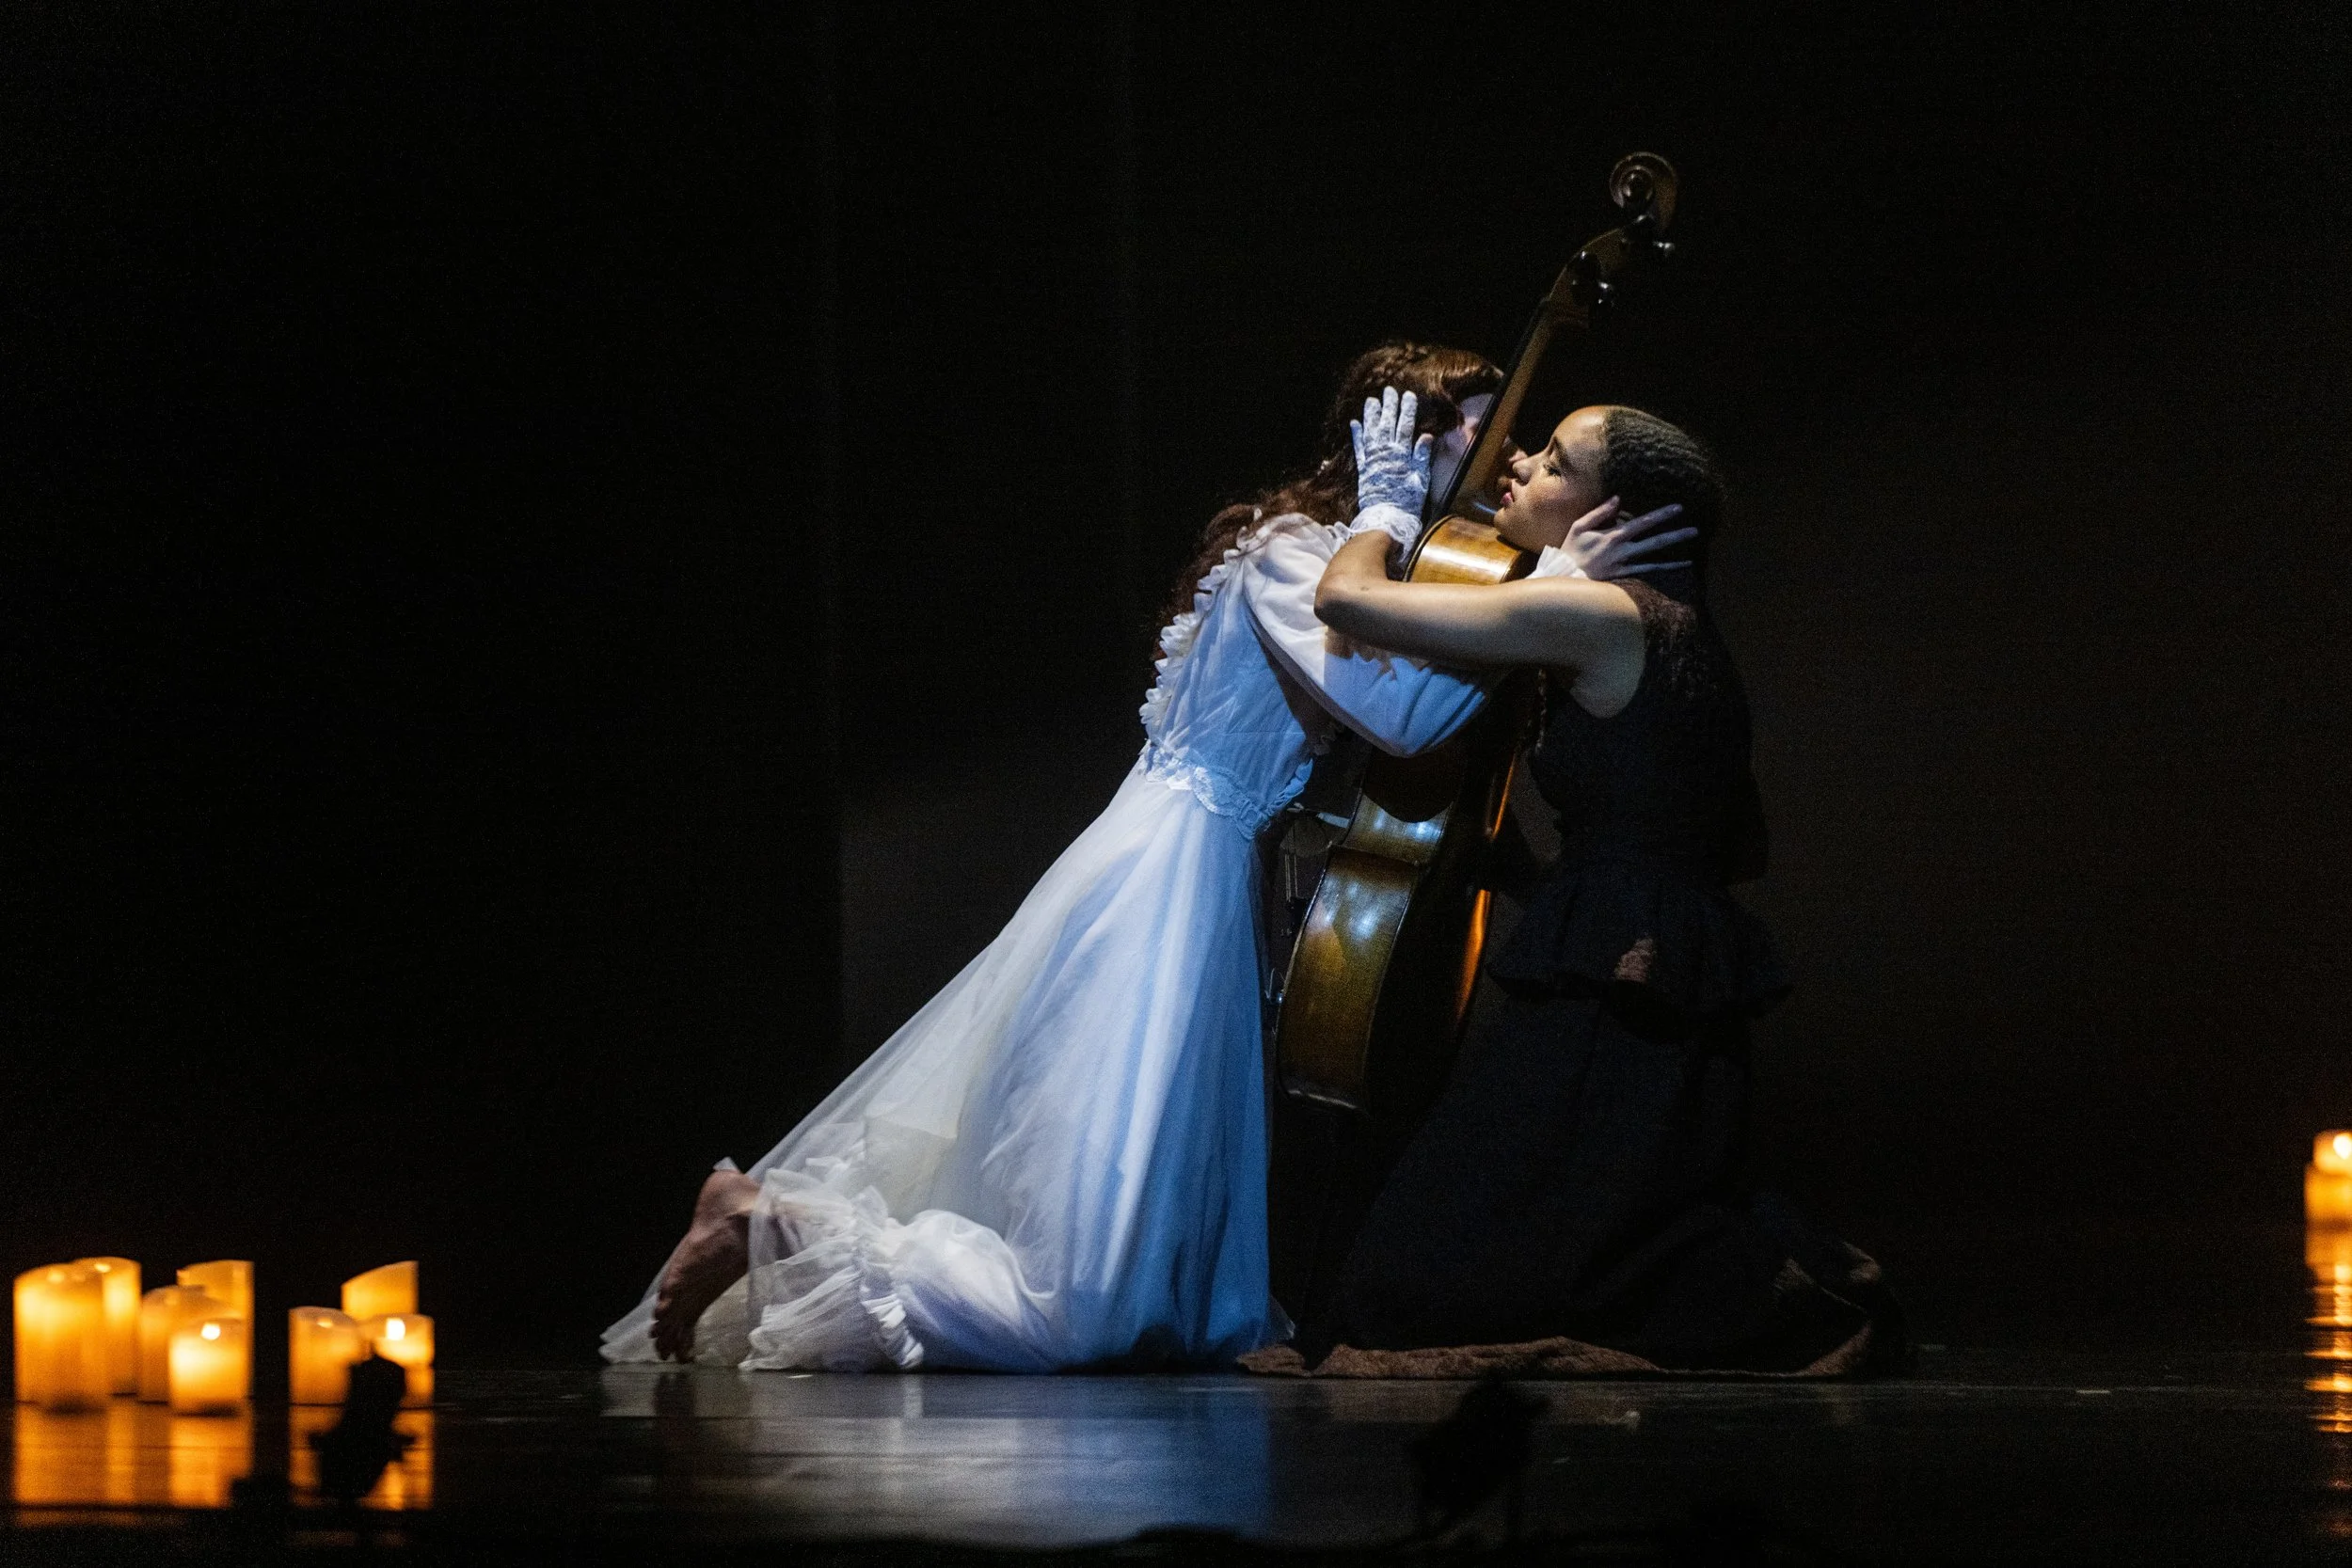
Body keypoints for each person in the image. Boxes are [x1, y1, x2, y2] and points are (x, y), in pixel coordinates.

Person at [599, 344, 1676, 1372]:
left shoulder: (1374, 571)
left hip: (1209, 881)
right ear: (1397, 440)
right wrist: (1550, 590)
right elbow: (1396, 715)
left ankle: (774, 1220)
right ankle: (765, 1214)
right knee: (1078, 1303)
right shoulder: (1295, 554)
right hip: (1162, 878)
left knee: (1176, 1305)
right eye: (1477, 438)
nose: (1499, 467)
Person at [1272, 390, 1903, 1377]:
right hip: (1645, 968)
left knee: (1413, 1280)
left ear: (1617, 518)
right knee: (1519, 1242)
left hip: (1617, 986)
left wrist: (1386, 505)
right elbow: (1658, 830)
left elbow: (1345, 602)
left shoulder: (1598, 613)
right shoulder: (1677, 625)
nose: (1518, 464)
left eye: (1557, 463)